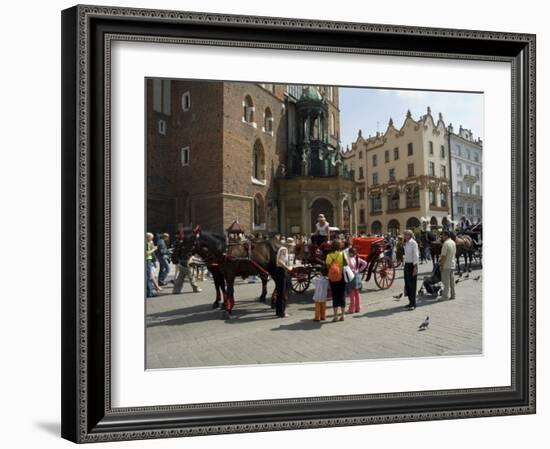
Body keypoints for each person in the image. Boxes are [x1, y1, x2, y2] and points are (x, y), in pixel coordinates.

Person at [326, 239, 347, 321]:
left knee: (334, 295)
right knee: (342, 295)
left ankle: (335, 316)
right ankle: (342, 315)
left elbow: (327, 266)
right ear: (340, 246)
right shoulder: (342, 254)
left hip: (332, 277)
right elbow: (347, 264)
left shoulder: (329, 255)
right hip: (342, 276)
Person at [346, 247, 367, 313]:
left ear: (351, 253)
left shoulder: (350, 259)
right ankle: (358, 308)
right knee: (357, 293)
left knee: (352, 294)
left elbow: (349, 267)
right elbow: (365, 263)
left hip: (351, 277)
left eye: (349, 252)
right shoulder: (357, 258)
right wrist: (359, 270)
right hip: (357, 275)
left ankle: (351, 309)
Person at [403, 229, 419, 310]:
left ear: (410, 235)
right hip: (406, 264)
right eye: (404, 235)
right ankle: (410, 302)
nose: (404, 236)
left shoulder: (413, 243)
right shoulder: (406, 243)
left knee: (412, 285)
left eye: (406, 235)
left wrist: (415, 268)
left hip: (412, 265)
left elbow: (416, 256)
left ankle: (413, 304)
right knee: (407, 284)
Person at [274, 246, 293, 318]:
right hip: (281, 272)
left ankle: (279, 311)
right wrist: (287, 267)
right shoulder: (284, 249)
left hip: (280, 272)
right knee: (282, 293)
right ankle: (282, 312)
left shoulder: (284, 250)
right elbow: (280, 261)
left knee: (280, 293)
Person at [439, 230, 457, 300]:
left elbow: (443, 256)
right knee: (452, 281)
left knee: (445, 282)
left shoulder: (446, 243)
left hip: (446, 265)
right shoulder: (453, 242)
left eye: (442, 235)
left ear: (446, 236)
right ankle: (453, 295)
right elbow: (455, 253)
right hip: (452, 264)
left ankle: (445, 296)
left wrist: (441, 265)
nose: (441, 237)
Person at [145, 232, 157, 297]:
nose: (152, 239)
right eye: (151, 238)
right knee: (148, 276)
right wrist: (154, 249)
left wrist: (152, 245)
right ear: (148, 237)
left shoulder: (149, 242)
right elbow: (147, 253)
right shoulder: (146, 243)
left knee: (149, 276)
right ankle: (149, 293)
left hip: (149, 260)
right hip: (147, 260)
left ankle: (149, 292)